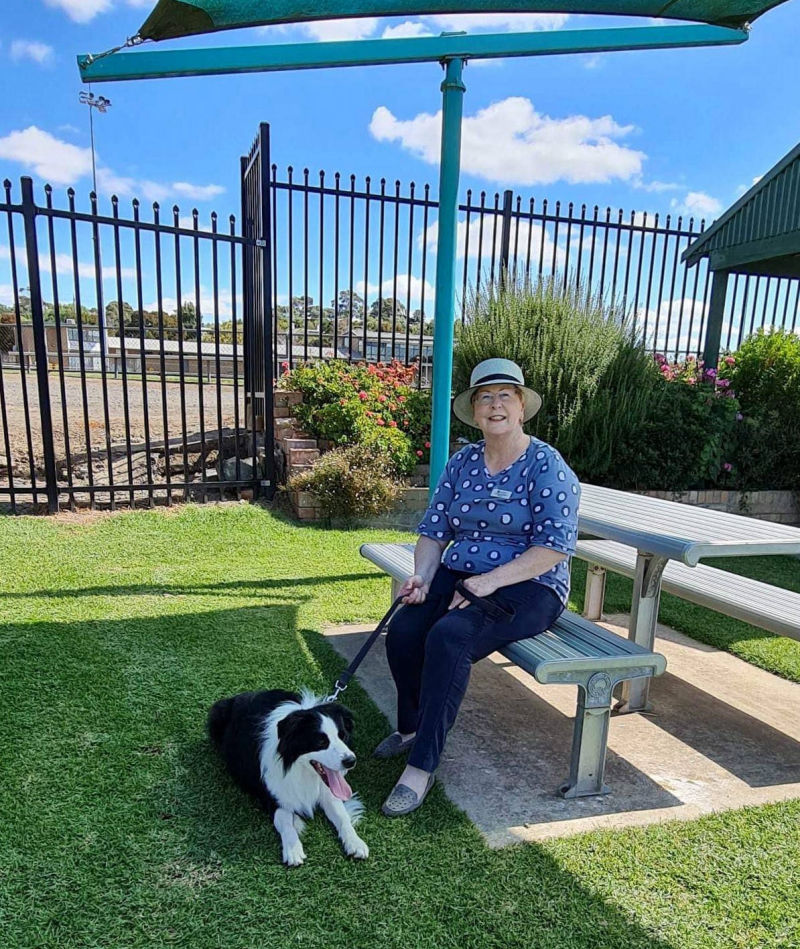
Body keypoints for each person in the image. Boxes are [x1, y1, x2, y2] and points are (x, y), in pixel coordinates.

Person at [375, 357, 580, 817]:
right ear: (474, 409)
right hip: (462, 573)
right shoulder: (463, 461)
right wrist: (423, 577)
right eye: (485, 397)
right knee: (407, 630)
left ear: (522, 406)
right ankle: (411, 727)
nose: (495, 405)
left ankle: (421, 766)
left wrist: (485, 584)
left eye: (505, 395)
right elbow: (434, 528)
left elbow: (554, 547)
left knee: (449, 637)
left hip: (530, 584)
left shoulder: (546, 464)